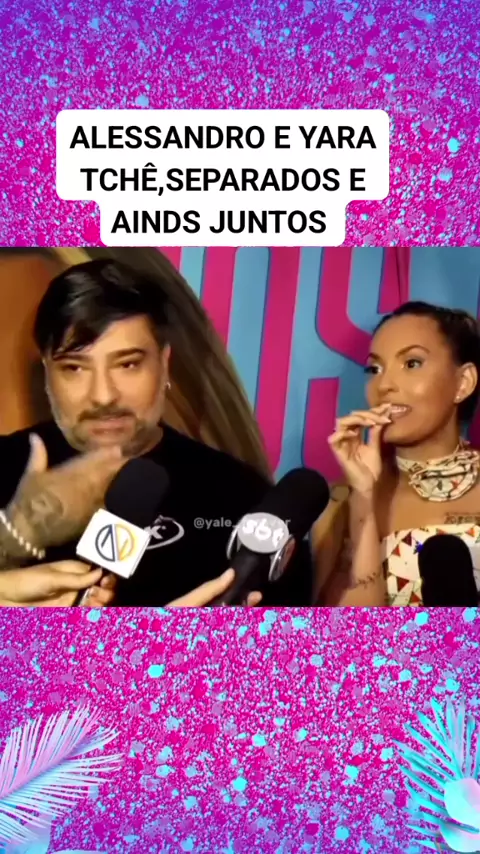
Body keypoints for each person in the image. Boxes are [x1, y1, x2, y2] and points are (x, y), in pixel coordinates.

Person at [0, 258, 312, 607]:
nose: (103, 396)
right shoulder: (5, 465)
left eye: (128, 364)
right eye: (74, 368)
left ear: (164, 364)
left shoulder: (242, 498)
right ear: (47, 372)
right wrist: (14, 536)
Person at [317, 301, 480, 606]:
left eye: (412, 364)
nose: (384, 385)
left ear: (464, 382)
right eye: (374, 369)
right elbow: (349, 632)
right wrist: (363, 498)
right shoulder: (337, 505)